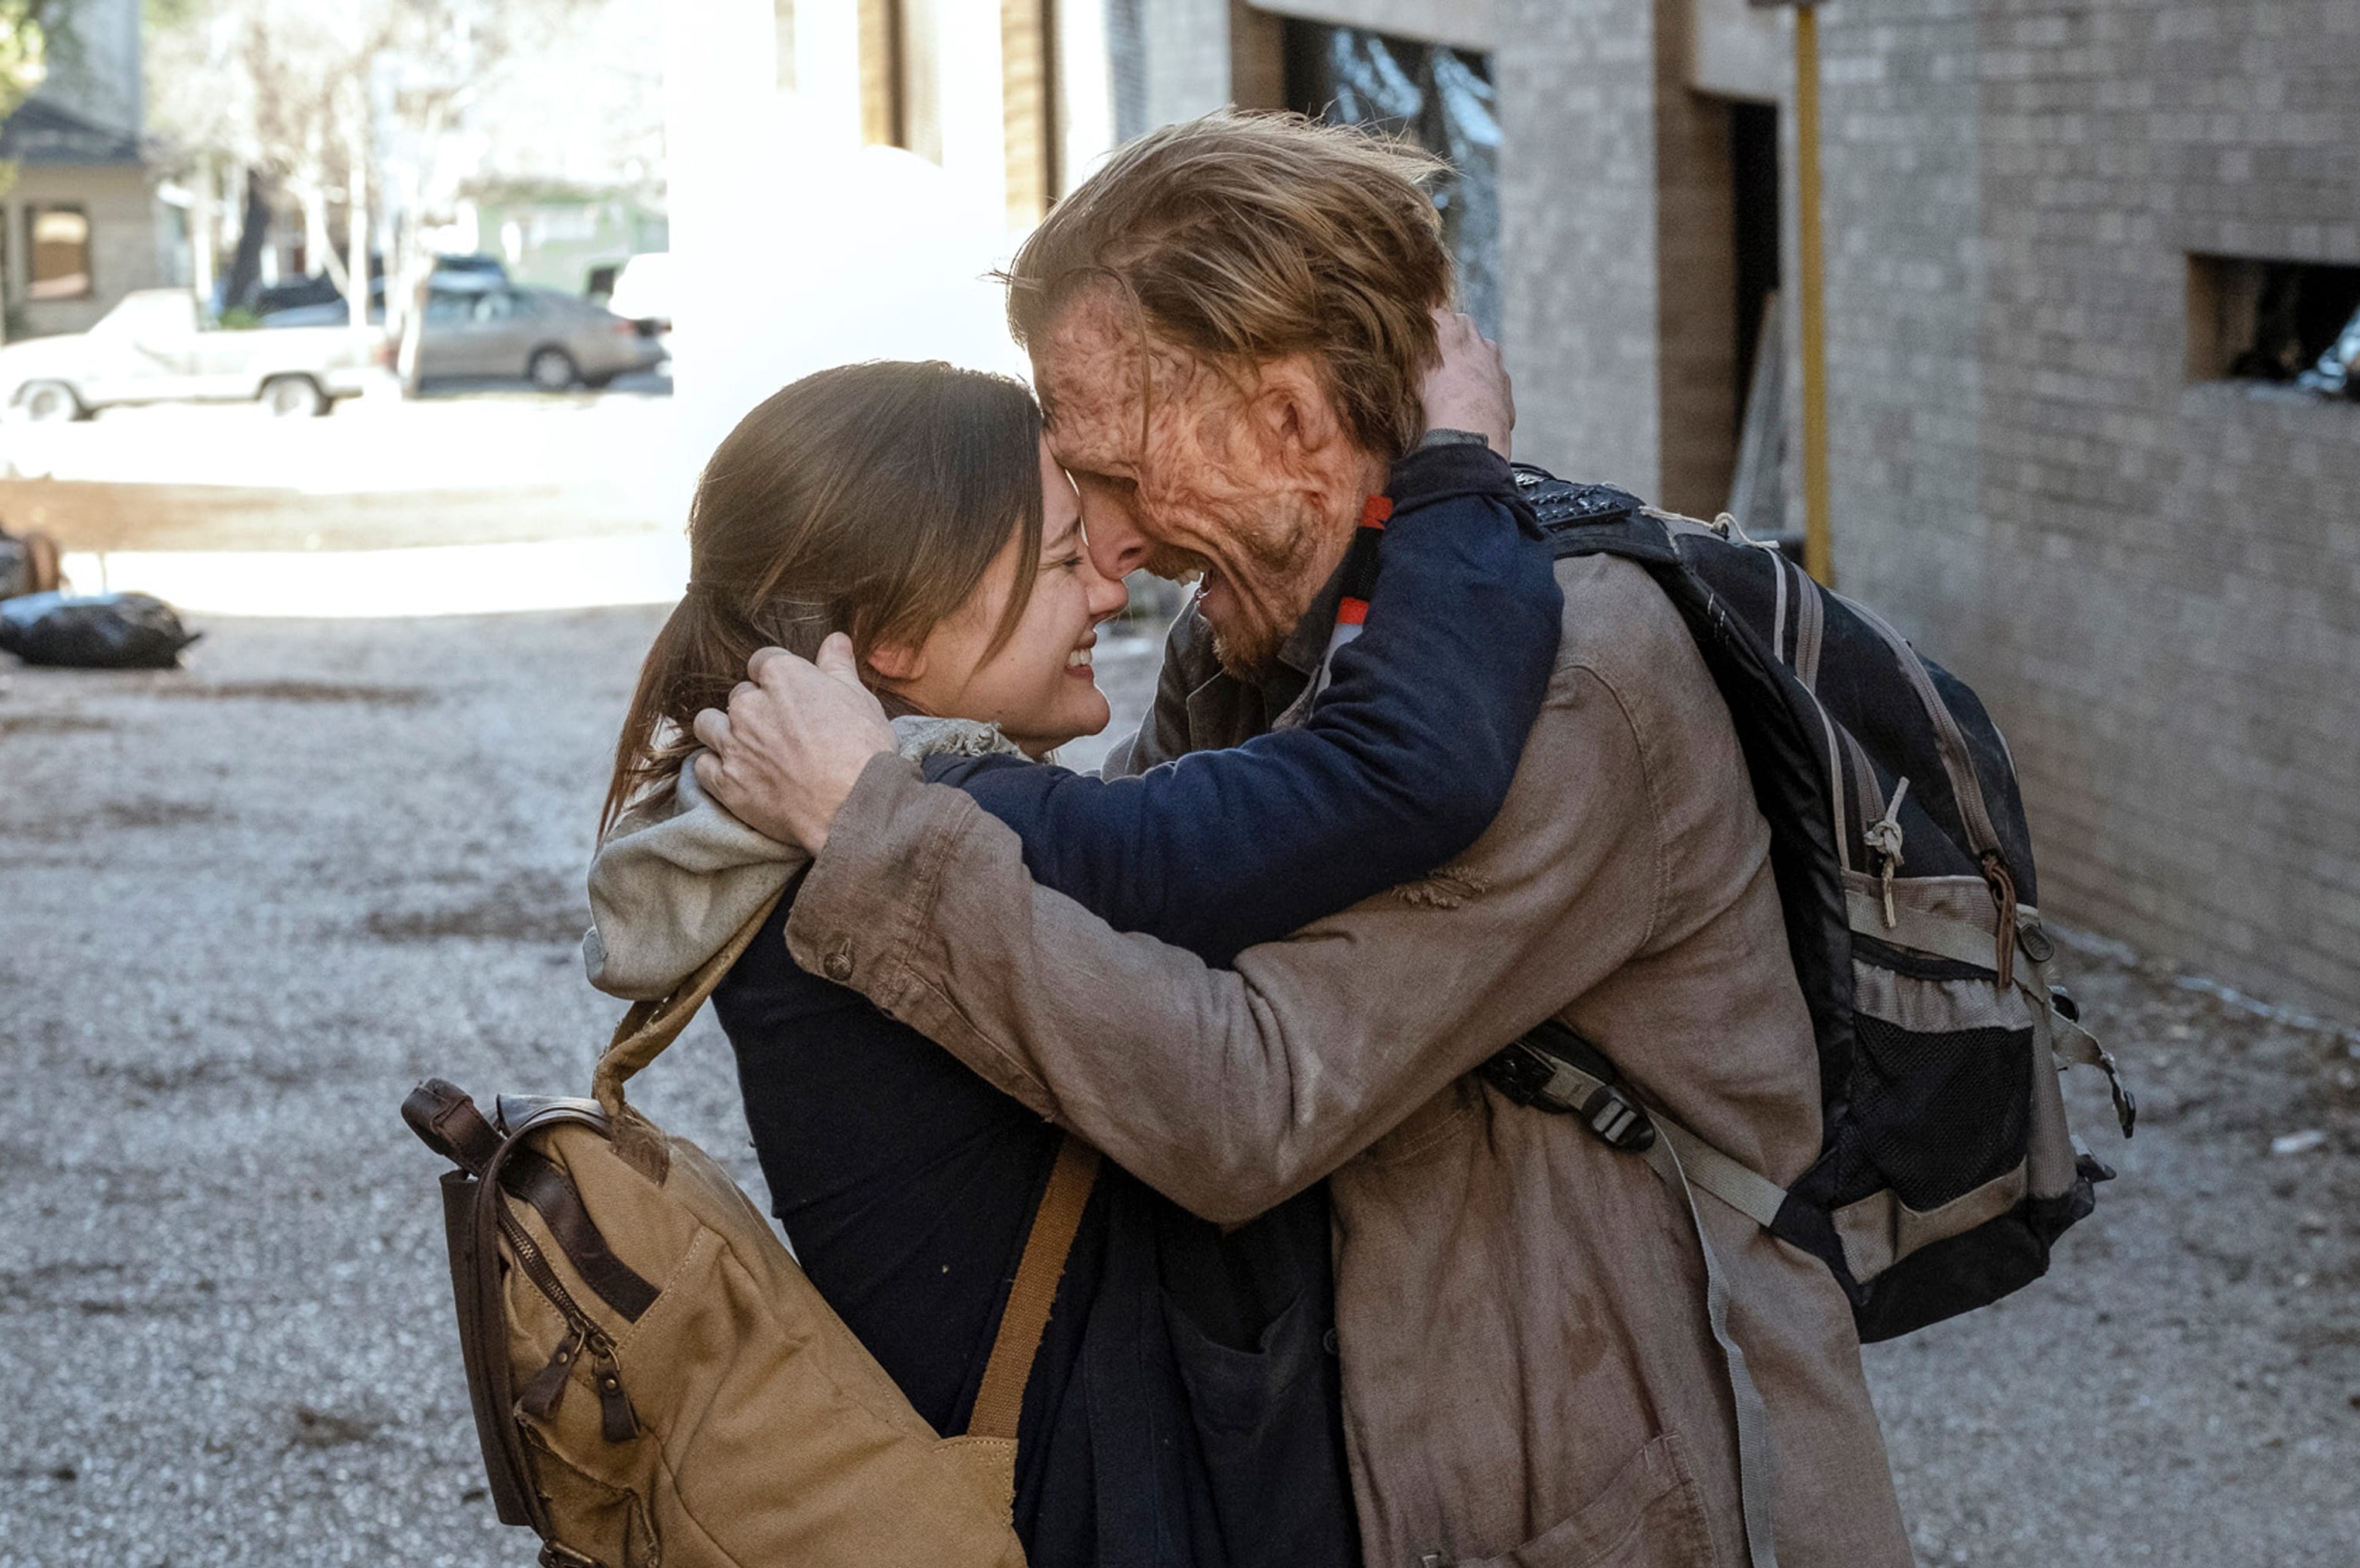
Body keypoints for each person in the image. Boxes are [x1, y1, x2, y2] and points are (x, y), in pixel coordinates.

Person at [690, 113, 1916, 1567]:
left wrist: (876, 830)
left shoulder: (1568, 688)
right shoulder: (1266, 644)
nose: (1107, 542)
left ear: (1284, 424)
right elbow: (1109, 906)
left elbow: (1243, 1101)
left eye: (1117, 475)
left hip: (1634, 1501)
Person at [585, 337, 1556, 1568]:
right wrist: (1460, 463)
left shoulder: (792, 832)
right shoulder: (940, 823)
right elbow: (1398, 770)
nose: (1107, 588)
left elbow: (1180, 823)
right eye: (1059, 560)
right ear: (893, 638)